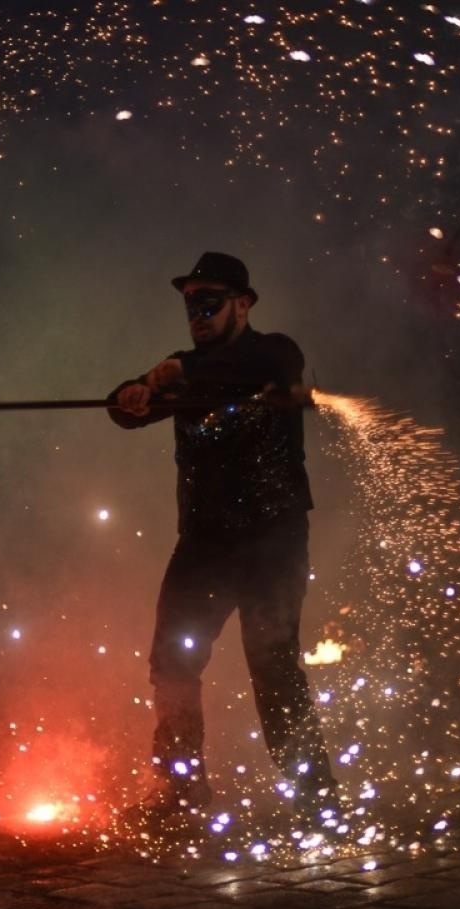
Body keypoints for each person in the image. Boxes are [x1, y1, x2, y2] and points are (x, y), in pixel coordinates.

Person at [108, 252, 336, 821]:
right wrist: (132, 393)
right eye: (190, 304)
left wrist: (174, 375)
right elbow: (128, 411)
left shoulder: (275, 353)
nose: (198, 313)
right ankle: (181, 795)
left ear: (243, 304)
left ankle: (316, 802)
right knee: (173, 664)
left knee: (272, 662)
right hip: (205, 545)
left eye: (209, 302)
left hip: (272, 540)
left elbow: (260, 373)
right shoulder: (184, 368)